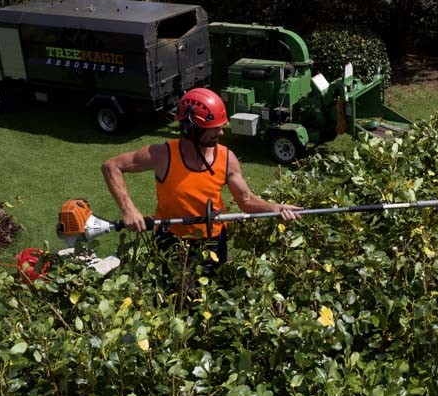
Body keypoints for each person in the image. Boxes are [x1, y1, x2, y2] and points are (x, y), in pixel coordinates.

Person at [101, 88, 300, 275]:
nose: (221, 133)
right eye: (214, 129)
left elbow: (246, 200)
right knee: (175, 302)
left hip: (214, 241)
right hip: (171, 241)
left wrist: (275, 208)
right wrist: (128, 209)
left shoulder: (226, 157)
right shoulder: (162, 154)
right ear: (190, 129)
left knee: (213, 300)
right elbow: (111, 166)